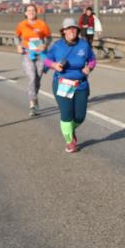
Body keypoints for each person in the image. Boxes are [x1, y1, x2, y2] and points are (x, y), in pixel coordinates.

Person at [43, 18, 97, 153]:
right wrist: (54, 65)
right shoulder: (57, 46)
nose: (72, 31)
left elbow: (92, 60)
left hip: (81, 84)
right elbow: (47, 60)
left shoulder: (84, 45)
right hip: (62, 83)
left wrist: (89, 68)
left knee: (80, 116)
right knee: (67, 114)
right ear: (64, 31)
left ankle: (69, 129)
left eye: (74, 28)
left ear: (77, 30)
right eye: (69, 28)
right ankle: (70, 142)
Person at [14, 3, 52, 116]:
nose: (31, 12)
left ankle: (34, 98)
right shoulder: (22, 24)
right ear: (25, 13)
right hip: (27, 53)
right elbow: (16, 37)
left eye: (33, 10)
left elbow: (49, 37)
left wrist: (45, 44)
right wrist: (18, 46)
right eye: (29, 10)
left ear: (36, 12)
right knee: (32, 76)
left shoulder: (42, 24)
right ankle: (33, 103)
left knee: (38, 78)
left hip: (40, 53)